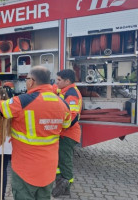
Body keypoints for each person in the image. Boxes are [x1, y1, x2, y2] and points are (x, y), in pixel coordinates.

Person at [0, 66, 71, 200]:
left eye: (27, 79)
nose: (26, 82)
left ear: (32, 81)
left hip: (25, 168)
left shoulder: (22, 101)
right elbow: (66, 126)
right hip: (49, 167)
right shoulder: (63, 103)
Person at [52, 69, 83, 197]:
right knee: (59, 160)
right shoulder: (65, 90)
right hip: (64, 133)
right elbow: (54, 89)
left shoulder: (71, 94)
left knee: (65, 161)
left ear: (67, 81)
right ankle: (61, 182)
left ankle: (66, 187)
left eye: (59, 80)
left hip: (68, 134)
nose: (56, 82)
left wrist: (61, 127)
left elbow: (73, 117)